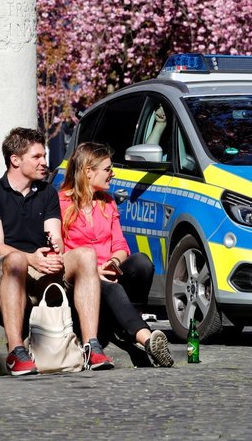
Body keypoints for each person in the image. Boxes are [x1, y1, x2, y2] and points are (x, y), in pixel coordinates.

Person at [0, 128, 114, 375]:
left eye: (44, 156)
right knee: (15, 258)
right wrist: (32, 259)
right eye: (37, 157)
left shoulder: (47, 193)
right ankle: (16, 352)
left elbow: (55, 237)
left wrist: (54, 253)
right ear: (15, 160)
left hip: (39, 272)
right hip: (0, 276)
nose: (44, 162)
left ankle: (92, 346)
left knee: (86, 255)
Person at [57, 141, 173, 368]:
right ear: (88, 172)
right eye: (108, 169)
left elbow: (120, 244)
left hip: (109, 272)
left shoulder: (107, 202)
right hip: (82, 279)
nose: (113, 173)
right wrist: (94, 270)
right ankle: (146, 338)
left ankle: (130, 321)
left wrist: (112, 262)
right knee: (109, 286)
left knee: (142, 263)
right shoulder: (61, 202)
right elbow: (62, 251)